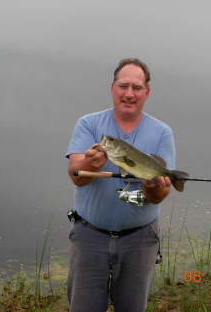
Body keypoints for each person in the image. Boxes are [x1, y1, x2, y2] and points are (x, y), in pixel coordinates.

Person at [66, 58, 177, 312]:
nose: (129, 94)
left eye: (136, 87)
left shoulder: (162, 132)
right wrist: (91, 164)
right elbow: (75, 175)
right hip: (89, 237)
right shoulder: (89, 124)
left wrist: (152, 185)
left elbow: (158, 196)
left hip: (139, 240)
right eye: (123, 86)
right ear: (112, 88)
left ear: (146, 93)